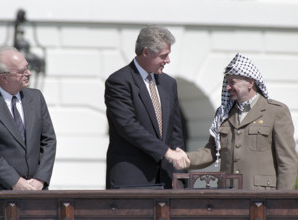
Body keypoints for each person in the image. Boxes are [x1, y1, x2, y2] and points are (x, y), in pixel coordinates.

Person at [176, 53, 298, 190]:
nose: (227, 87)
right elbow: (211, 151)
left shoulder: (275, 112)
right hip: (228, 196)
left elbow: (287, 161)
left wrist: (281, 202)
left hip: (262, 198)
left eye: (232, 82)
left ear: (250, 83)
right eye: (227, 82)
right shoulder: (223, 114)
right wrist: (184, 158)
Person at [105, 25, 190, 189]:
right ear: (146, 52)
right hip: (132, 180)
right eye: (163, 56)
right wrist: (166, 151)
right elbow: (128, 126)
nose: (168, 60)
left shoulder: (168, 83)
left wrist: (178, 168)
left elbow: (175, 131)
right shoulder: (119, 82)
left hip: (165, 179)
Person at [0, 46, 56, 200]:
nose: (28, 73)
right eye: (22, 71)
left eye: (27, 68)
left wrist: (40, 179)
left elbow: (49, 140)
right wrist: (16, 182)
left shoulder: (36, 98)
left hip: (37, 192)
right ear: (4, 77)